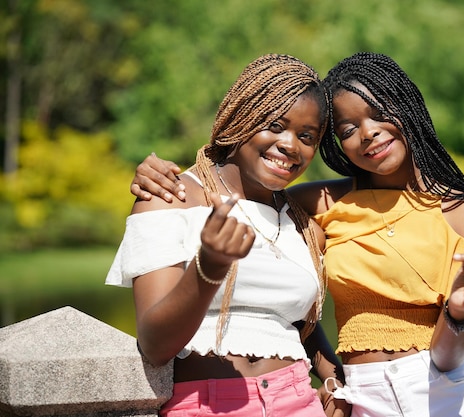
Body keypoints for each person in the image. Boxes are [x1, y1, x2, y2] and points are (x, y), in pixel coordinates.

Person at [130, 52, 464, 417]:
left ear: (408, 107)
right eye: (347, 129)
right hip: (364, 398)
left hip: (451, 392)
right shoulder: (319, 202)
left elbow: (447, 358)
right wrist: (164, 175)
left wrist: (460, 312)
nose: (369, 132)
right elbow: (243, 191)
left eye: (379, 114)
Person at [106, 54, 350, 417]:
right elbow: (156, 345)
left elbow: (302, 327)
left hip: (297, 400)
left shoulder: (300, 221)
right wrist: (210, 267)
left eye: (306, 136)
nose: (290, 145)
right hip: (205, 405)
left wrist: (334, 381)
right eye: (275, 125)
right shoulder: (171, 198)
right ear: (242, 116)